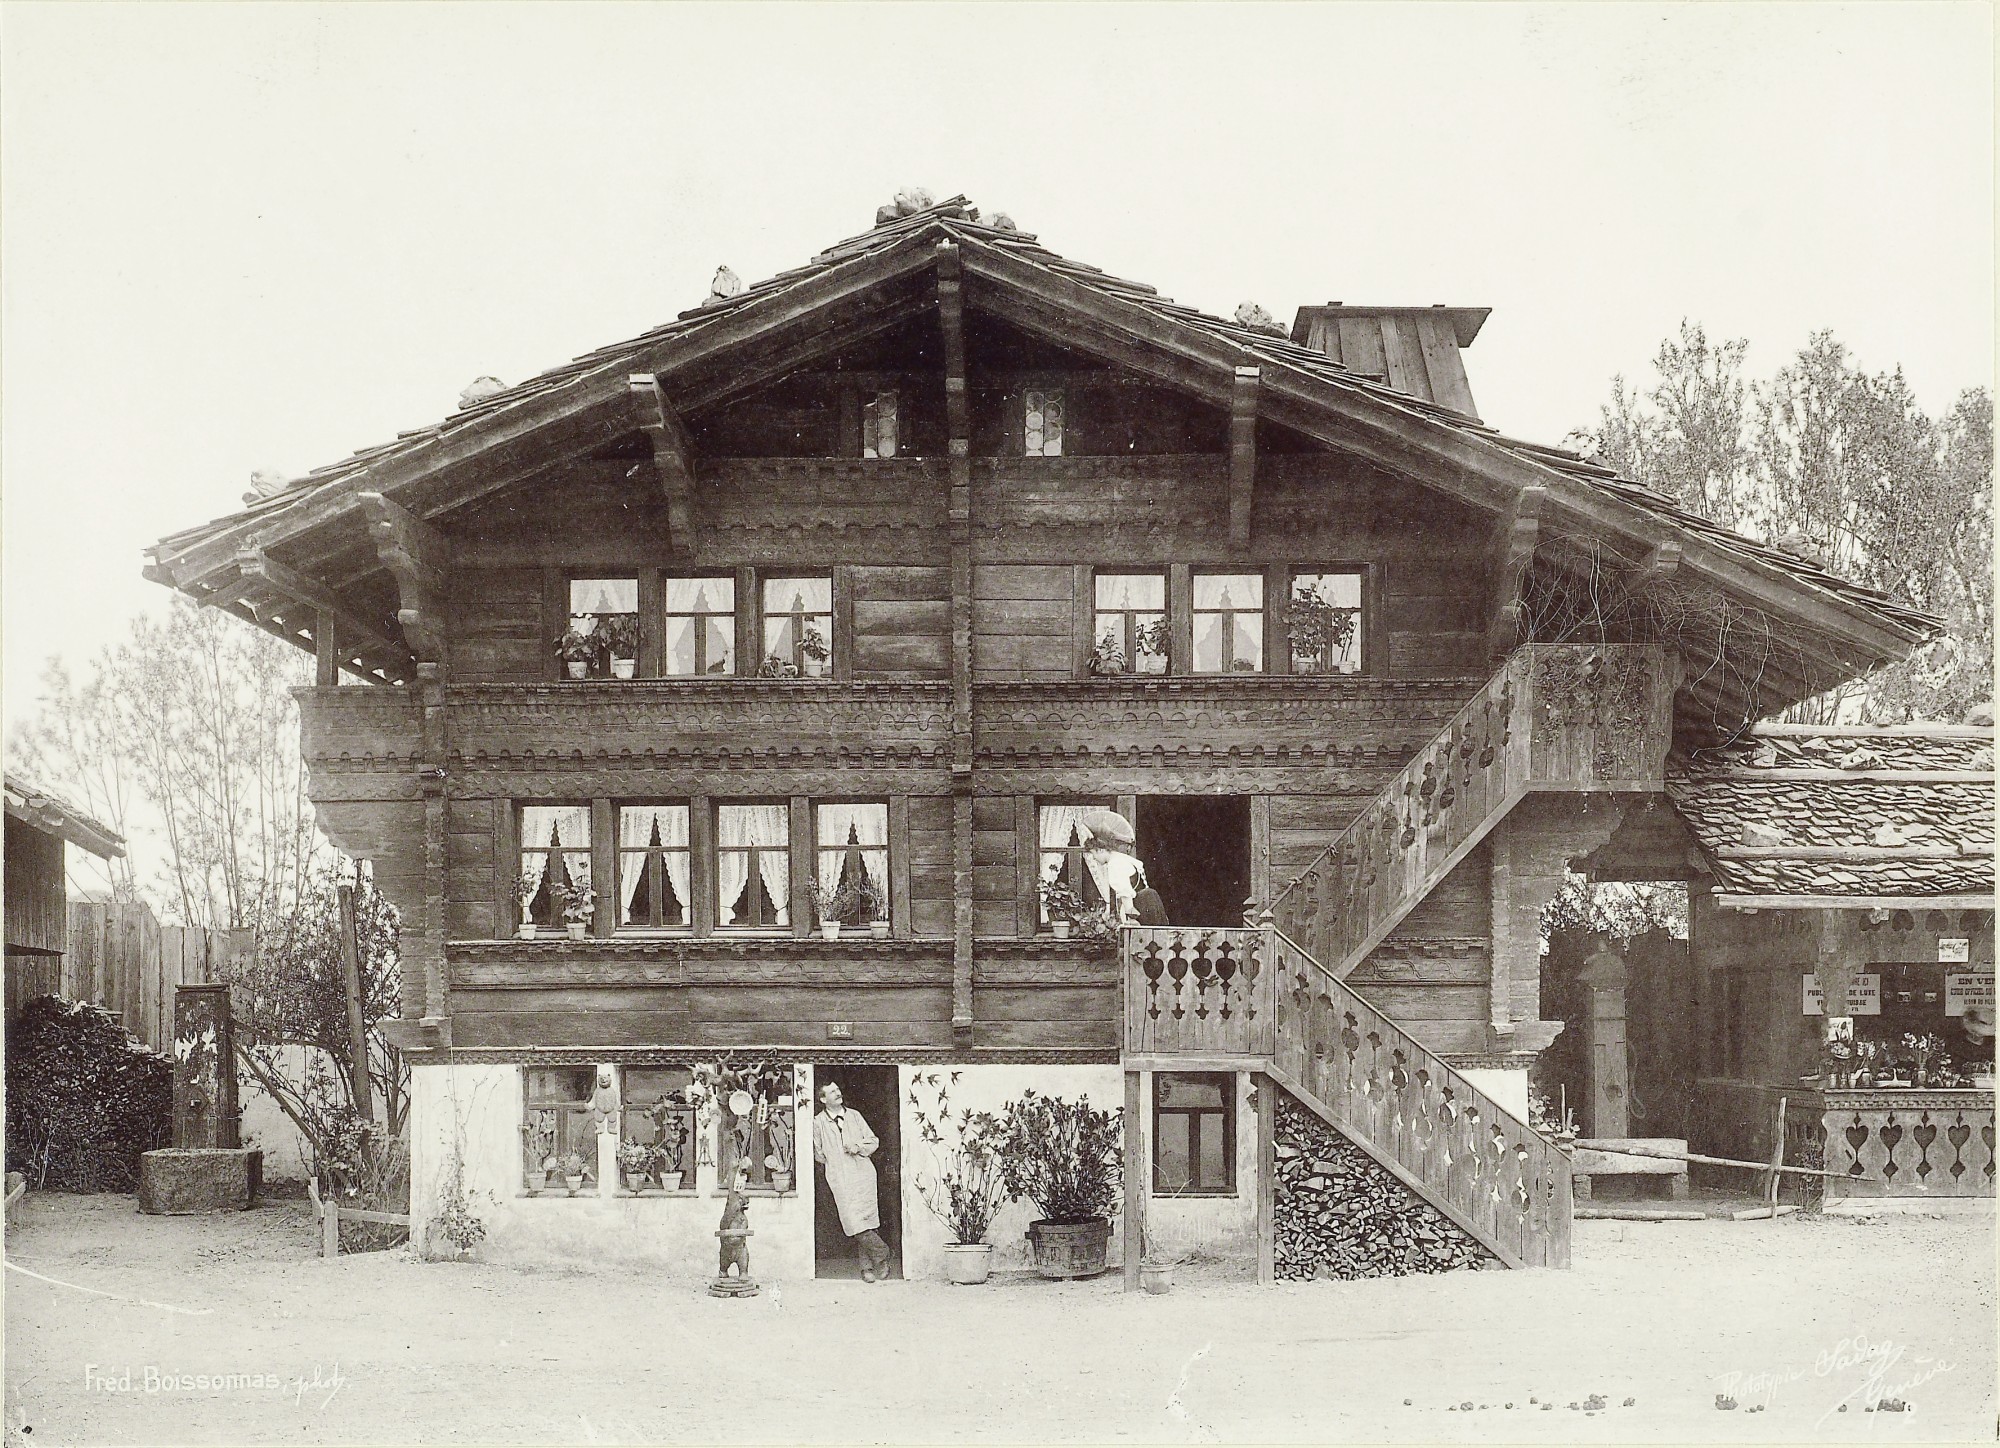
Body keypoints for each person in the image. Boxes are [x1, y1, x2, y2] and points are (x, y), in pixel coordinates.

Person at [812, 1081, 890, 1281]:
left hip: (863, 1174)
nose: (838, 1093)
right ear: (823, 1099)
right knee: (853, 1221)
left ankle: (868, 1268)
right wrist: (837, 1161)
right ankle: (882, 1253)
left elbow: (873, 1140)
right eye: (832, 1091)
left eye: (838, 1089)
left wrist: (858, 1146)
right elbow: (818, 1153)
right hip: (840, 1178)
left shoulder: (854, 1116)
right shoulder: (818, 1122)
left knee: (868, 1220)